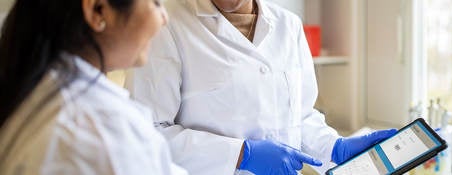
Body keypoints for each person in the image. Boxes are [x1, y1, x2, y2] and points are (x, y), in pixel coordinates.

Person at [126, 0, 397, 174]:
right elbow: (144, 133)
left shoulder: (288, 25)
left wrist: (335, 148)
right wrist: (241, 154)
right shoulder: (166, 25)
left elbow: (300, 116)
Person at [0, 0, 188, 174]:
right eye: (155, 3)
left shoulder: (37, 88)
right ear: (98, 10)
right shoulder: (102, 131)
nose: (164, 18)